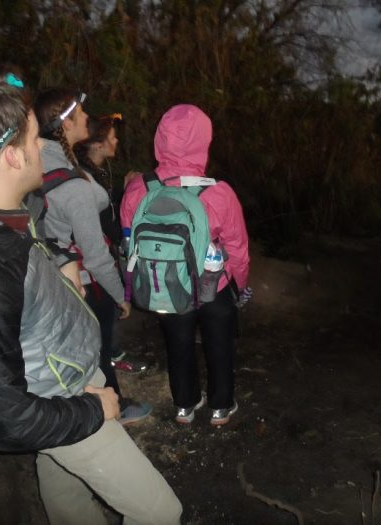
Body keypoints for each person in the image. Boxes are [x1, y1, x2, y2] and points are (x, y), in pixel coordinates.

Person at [0, 70, 181, 525]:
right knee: (162, 513)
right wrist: (92, 409)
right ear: (11, 157)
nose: (42, 149)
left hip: (65, 374)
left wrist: (55, 257)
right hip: (60, 398)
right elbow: (3, 419)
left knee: (68, 500)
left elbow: (17, 258)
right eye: (34, 140)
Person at [121, 104, 250, 425]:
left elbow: (127, 238)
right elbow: (238, 249)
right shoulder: (218, 192)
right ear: (203, 142)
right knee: (219, 344)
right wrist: (241, 286)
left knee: (177, 344)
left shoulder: (139, 188)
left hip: (166, 283)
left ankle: (184, 405)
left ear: (159, 140)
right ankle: (220, 407)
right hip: (213, 286)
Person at [34, 89, 150, 423]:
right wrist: (121, 296)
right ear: (65, 123)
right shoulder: (74, 186)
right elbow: (97, 256)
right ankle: (113, 409)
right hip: (79, 277)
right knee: (95, 348)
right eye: (81, 113)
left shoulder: (38, 162)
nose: (87, 118)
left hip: (47, 270)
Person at [73, 114, 148, 373]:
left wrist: (123, 191)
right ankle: (108, 359)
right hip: (90, 258)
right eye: (111, 136)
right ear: (97, 144)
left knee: (104, 308)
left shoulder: (96, 172)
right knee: (103, 305)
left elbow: (106, 207)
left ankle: (111, 353)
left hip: (99, 252)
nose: (116, 140)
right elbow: (102, 220)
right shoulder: (82, 178)